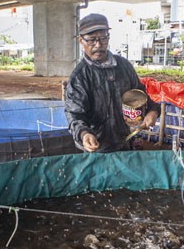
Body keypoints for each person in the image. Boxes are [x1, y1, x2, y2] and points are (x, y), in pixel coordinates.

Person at [64, 13, 160, 153]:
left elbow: (141, 96)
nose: (98, 45)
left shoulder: (124, 66)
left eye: (103, 38)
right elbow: (74, 115)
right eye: (91, 40)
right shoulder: (79, 77)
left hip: (126, 143)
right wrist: (84, 134)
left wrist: (152, 111)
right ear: (81, 40)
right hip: (96, 148)